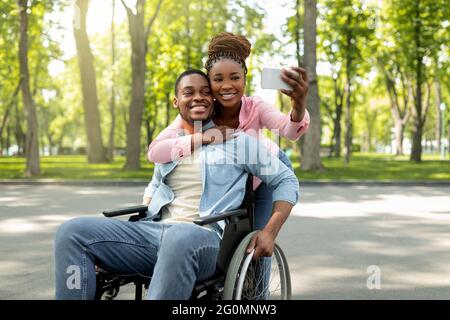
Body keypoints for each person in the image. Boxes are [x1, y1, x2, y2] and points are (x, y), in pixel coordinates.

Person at [54, 69, 299, 300]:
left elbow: (286, 180)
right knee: (72, 232)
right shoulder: (172, 145)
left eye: (205, 92)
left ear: (213, 100)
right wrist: (132, 225)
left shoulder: (239, 142)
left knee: (179, 236)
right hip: (155, 232)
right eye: (189, 92)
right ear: (176, 101)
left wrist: (270, 231)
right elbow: (155, 185)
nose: (198, 98)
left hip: (205, 239)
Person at [147, 32, 309, 231]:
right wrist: (202, 138)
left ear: (244, 81)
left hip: (266, 167)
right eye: (218, 79)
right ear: (210, 83)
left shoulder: (255, 107)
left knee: (256, 236)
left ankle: (261, 260)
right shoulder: (201, 108)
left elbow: (290, 132)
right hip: (234, 173)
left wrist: (298, 104)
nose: (226, 86)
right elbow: (155, 151)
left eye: (234, 78)